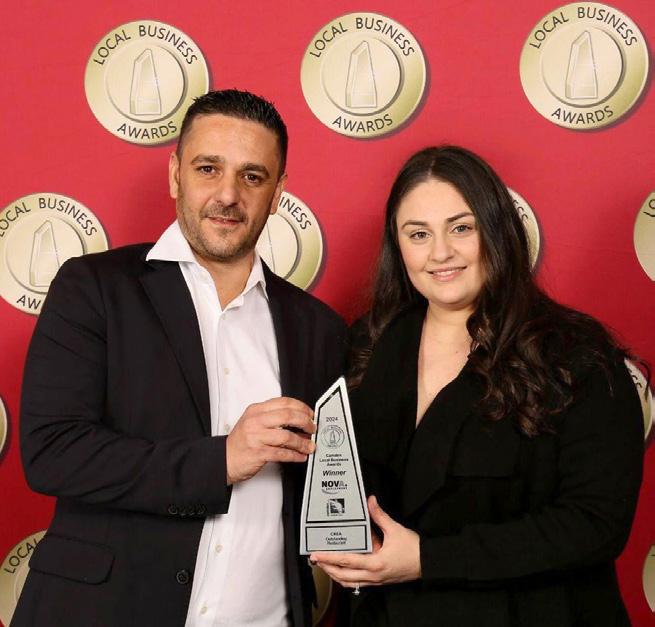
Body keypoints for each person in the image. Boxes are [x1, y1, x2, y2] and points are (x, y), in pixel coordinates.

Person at [14, 90, 346, 627]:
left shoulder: (319, 328)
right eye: (208, 169)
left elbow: (329, 485)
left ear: (278, 193)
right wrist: (221, 460)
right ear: (175, 175)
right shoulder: (94, 288)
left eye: (252, 176)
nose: (228, 195)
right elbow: (53, 452)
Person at [311, 146, 644, 627]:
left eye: (461, 228)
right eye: (418, 234)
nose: (440, 252)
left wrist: (427, 558)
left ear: (497, 229)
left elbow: (596, 523)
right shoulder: (368, 343)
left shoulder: (576, 354)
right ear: (397, 246)